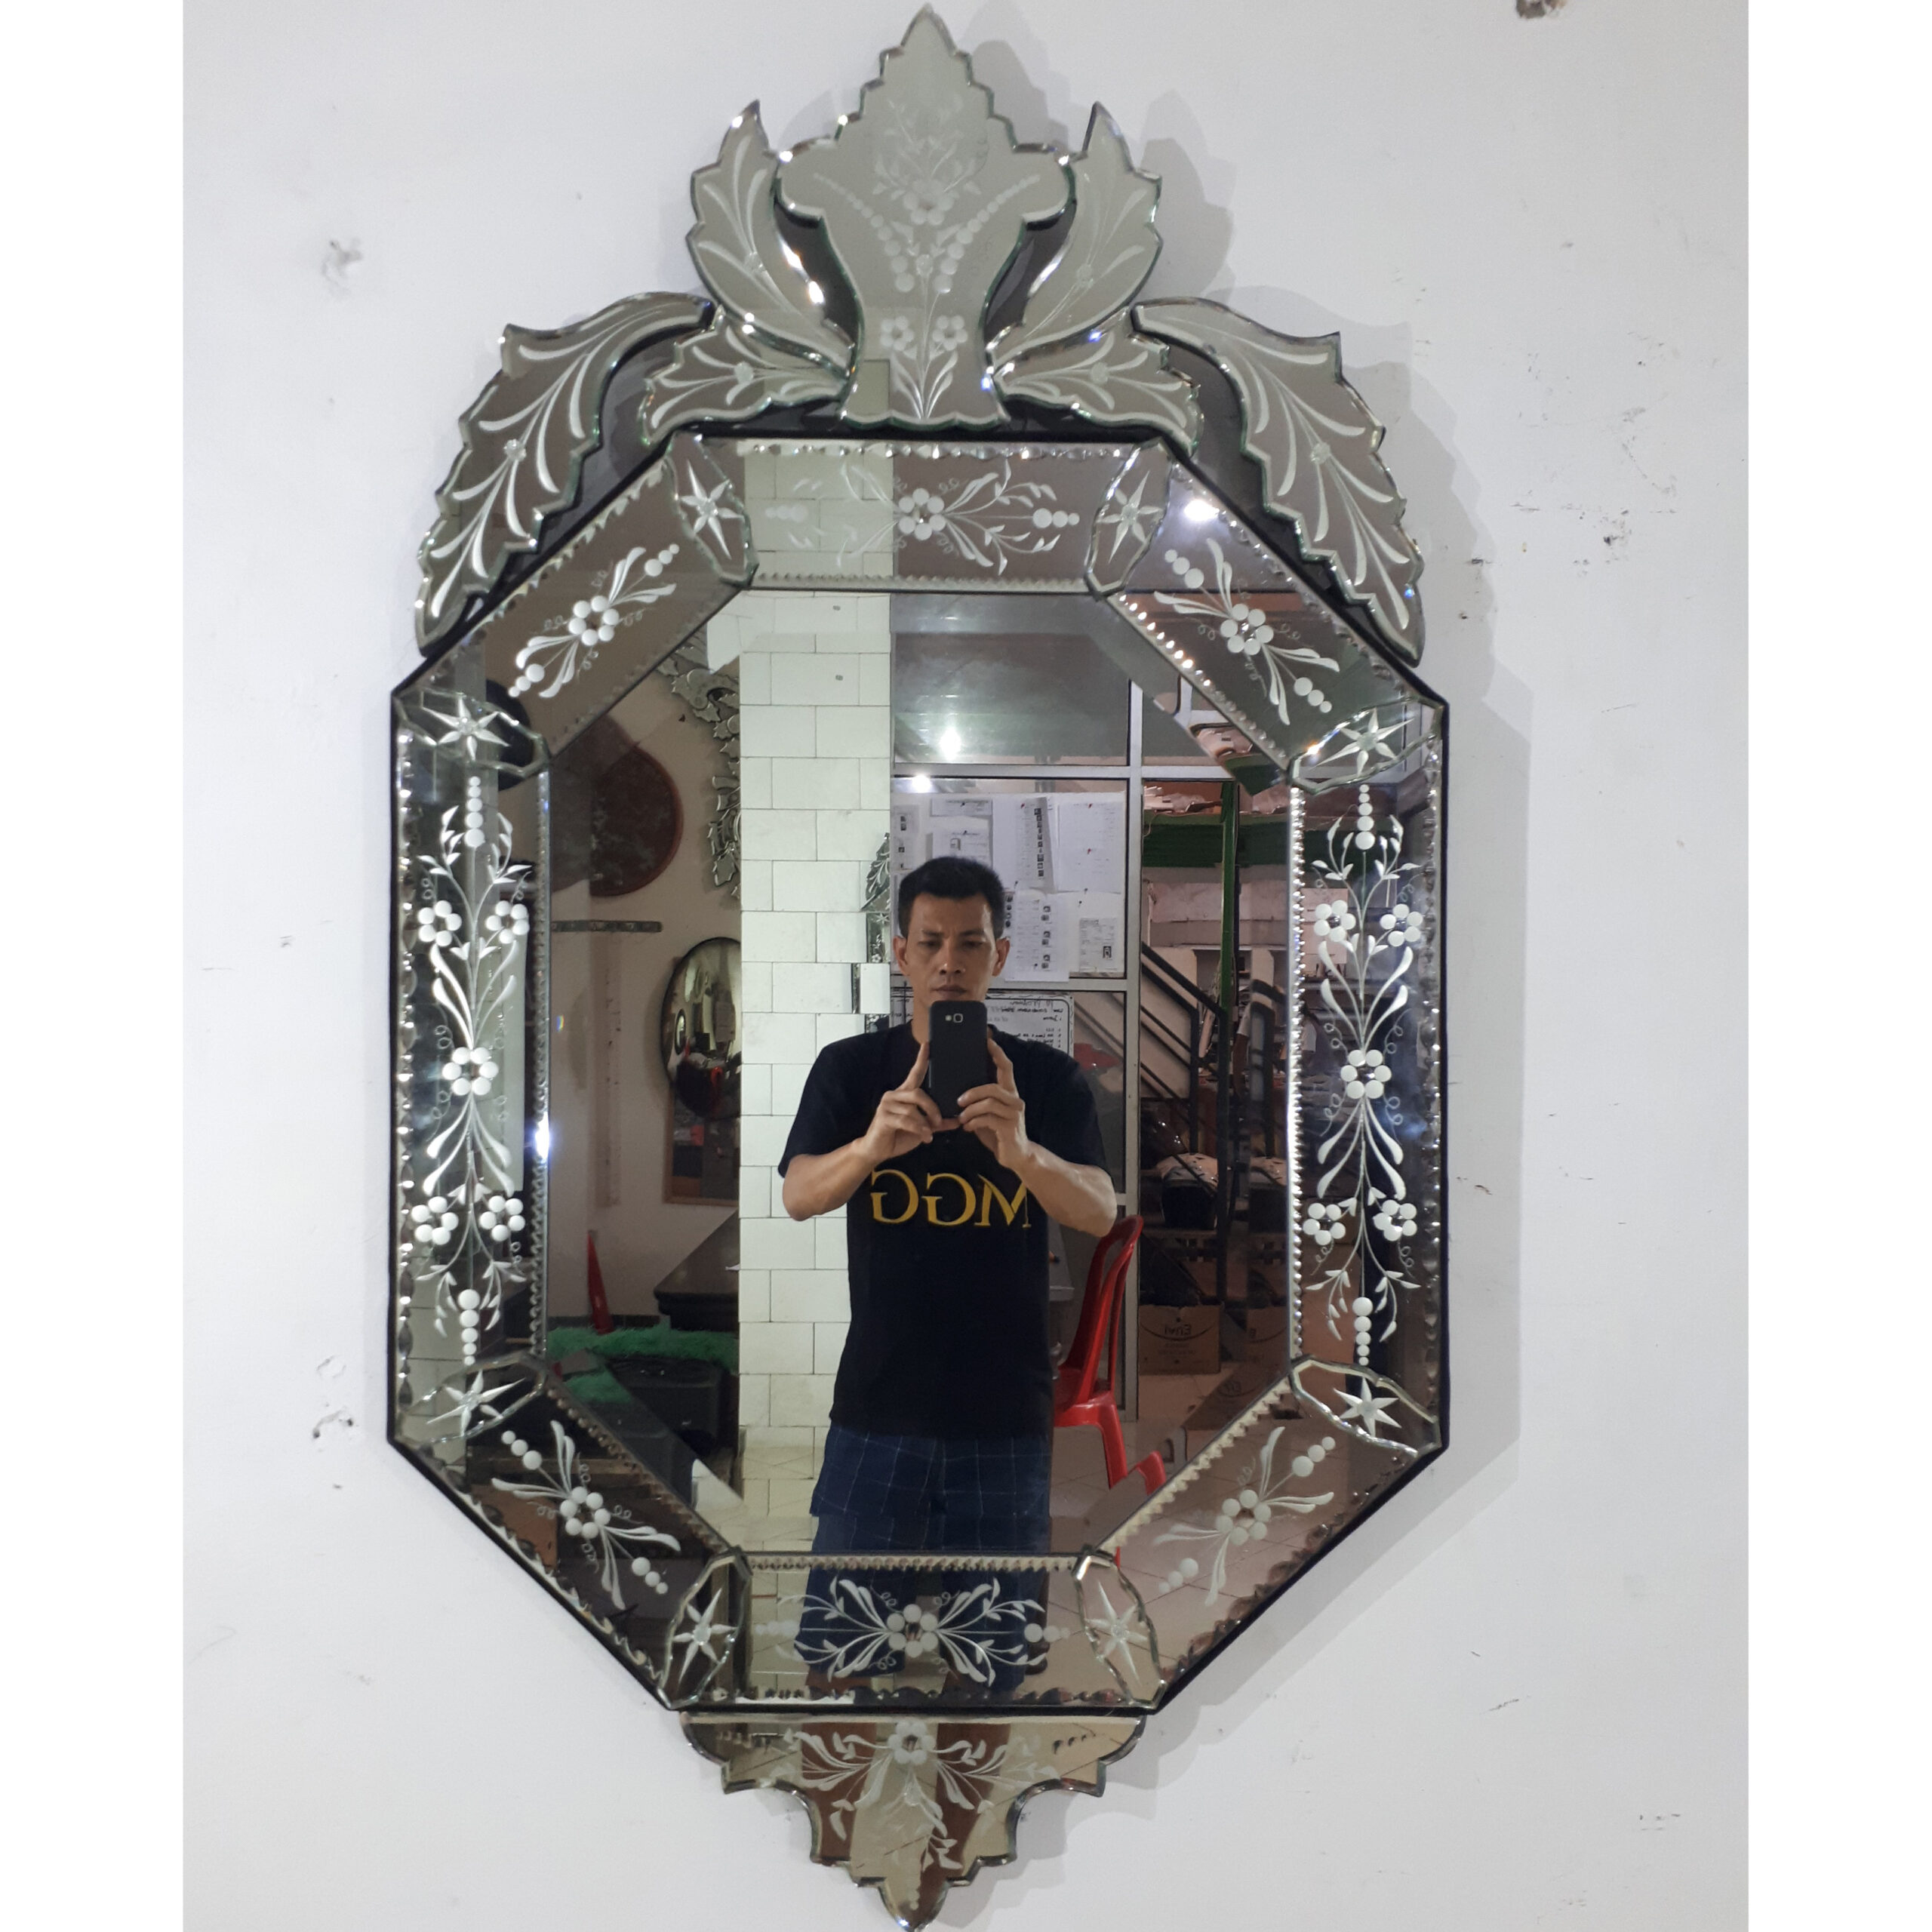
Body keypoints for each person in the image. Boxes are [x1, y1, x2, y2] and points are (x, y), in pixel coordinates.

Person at [777, 855, 1118, 1580]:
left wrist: (1024, 1154)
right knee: (848, 1635)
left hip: (1004, 1410)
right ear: (902, 954)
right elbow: (799, 1195)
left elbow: (1098, 1212)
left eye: (970, 943)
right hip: (878, 1402)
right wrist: (871, 1147)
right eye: (930, 943)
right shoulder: (851, 1069)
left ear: (1000, 954)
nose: (950, 963)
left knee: (993, 1639)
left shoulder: (1047, 1079)